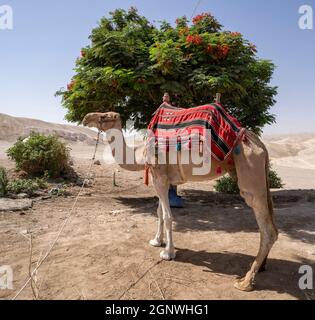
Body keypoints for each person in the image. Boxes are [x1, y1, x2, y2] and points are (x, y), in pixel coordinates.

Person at [161, 93, 185, 208]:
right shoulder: (162, 110)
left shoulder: (170, 112)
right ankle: (170, 197)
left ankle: (172, 195)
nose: (165, 98)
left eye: (166, 97)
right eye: (164, 97)